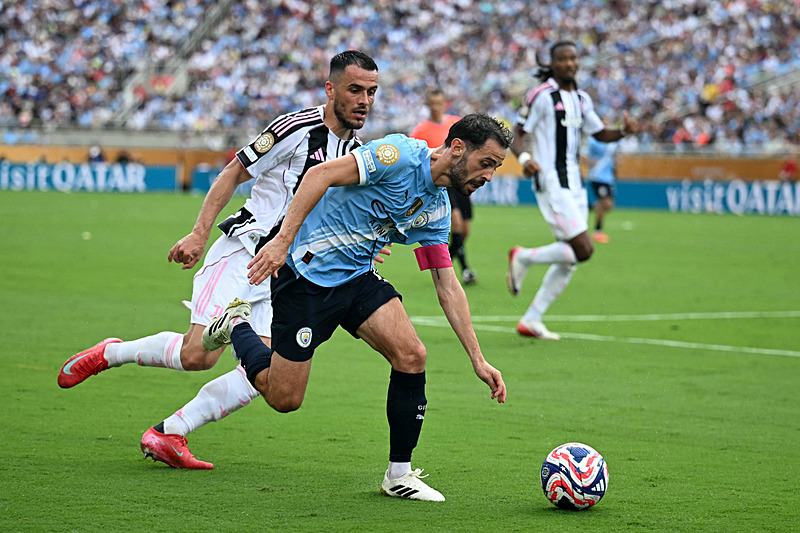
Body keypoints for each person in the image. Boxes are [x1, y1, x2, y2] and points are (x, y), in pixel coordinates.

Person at [57, 51, 381, 470]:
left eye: (371, 92)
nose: (365, 100)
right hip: (243, 253)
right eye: (355, 89)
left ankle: (170, 432)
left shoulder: (355, 150)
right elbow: (233, 172)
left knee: (262, 373)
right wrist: (198, 232)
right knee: (199, 355)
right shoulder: (296, 128)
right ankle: (111, 353)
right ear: (331, 89)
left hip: (284, 276)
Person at [202, 113, 510, 501]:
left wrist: (478, 360)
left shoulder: (437, 210)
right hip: (304, 278)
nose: (488, 177)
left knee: (412, 355)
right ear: (457, 147)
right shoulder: (396, 154)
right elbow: (319, 176)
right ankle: (236, 325)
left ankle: (398, 474)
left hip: (358, 280)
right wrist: (281, 242)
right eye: (487, 163)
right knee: (284, 399)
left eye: (495, 168)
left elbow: (446, 284)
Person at [507, 41, 638, 340]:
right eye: (563, 59)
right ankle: (523, 256)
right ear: (552, 64)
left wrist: (624, 131)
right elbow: (518, 132)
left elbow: (600, 132)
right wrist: (525, 159)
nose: (569, 63)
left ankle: (532, 319)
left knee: (571, 260)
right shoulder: (541, 95)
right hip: (551, 181)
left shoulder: (581, 98)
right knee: (583, 249)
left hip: (574, 183)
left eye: (573, 58)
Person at [409, 88, 477, 285]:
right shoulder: (421, 129)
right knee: (455, 222)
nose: (436, 107)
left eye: (440, 103)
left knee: (464, 229)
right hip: (441, 183)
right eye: (433, 103)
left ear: (444, 103)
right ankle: (465, 270)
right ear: (428, 105)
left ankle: (440, 263)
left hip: (460, 180)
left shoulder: (455, 123)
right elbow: (414, 156)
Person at [585, 135, 618, 243]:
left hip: (608, 178)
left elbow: (613, 155)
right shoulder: (593, 141)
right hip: (597, 176)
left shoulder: (612, 141)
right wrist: (590, 162)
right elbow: (581, 154)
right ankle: (598, 232)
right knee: (605, 203)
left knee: (608, 206)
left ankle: (585, 207)